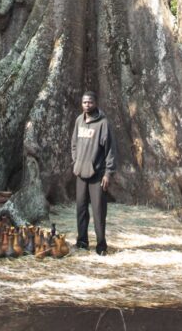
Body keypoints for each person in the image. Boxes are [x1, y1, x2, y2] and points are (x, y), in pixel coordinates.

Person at [71, 90, 116, 256]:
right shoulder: (79, 121)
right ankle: (82, 241)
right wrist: (76, 161)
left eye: (89, 102)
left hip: (97, 175)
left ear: (95, 103)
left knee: (98, 211)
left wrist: (108, 173)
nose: (87, 105)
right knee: (81, 209)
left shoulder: (103, 123)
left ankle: (101, 245)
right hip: (81, 174)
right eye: (84, 102)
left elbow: (110, 150)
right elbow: (74, 143)